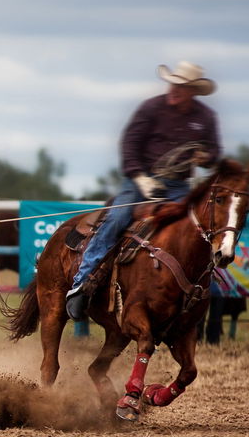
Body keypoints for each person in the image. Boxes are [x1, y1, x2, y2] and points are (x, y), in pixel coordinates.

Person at [66, 61, 221, 321]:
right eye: (173, 84)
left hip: (178, 186)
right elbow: (130, 143)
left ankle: (197, 288)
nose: (175, 89)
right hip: (140, 181)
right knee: (116, 219)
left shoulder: (205, 117)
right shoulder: (151, 108)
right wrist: (139, 176)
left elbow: (214, 152)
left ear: (193, 91)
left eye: (182, 87)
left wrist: (205, 157)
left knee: (197, 229)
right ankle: (82, 283)